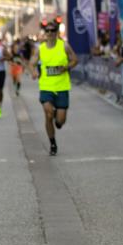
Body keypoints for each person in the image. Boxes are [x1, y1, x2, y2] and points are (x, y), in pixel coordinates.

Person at [29, 20, 78, 156]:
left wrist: (66, 67)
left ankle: (58, 119)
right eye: (47, 31)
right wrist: (33, 72)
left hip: (62, 87)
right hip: (46, 86)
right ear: (45, 33)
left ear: (57, 32)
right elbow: (32, 63)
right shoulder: (41, 49)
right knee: (48, 113)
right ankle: (52, 143)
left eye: (52, 31)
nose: (50, 33)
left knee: (60, 121)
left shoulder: (64, 46)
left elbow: (75, 60)